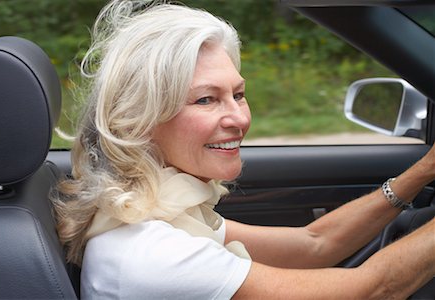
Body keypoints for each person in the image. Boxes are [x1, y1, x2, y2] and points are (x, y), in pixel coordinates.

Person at [53, 0, 435, 299]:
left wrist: (423, 171)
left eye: (238, 94)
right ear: (140, 120)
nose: (238, 118)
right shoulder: (155, 254)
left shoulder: (158, 209)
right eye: (206, 100)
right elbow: (372, 291)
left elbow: (314, 244)